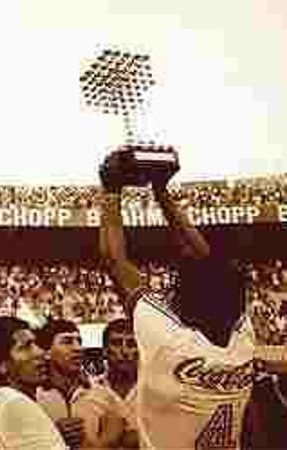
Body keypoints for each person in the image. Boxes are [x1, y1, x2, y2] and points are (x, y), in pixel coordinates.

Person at [98, 154, 255, 449]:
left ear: (181, 298)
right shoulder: (243, 338)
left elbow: (114, 259)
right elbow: (209, 265)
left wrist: (111, 190)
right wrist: (161, 193)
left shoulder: (169, 340)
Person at [0, 316, 67, 449]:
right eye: (26, 347)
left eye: (36, 345)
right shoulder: (14, 403)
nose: (40, 353)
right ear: (0, 365)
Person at [37, 319, 116, 449]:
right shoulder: (34, 396)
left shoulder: (102, 393)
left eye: (79, 341)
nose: (78, 348)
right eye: (67, 342)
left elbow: (117, 434)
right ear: (46, 351)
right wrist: (53, 433)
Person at [83, 318, 140, 449]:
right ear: (104, 350)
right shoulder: (89, 390)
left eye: (131, 344)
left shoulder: (153, 390)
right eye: (116, 343)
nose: (124, 351)